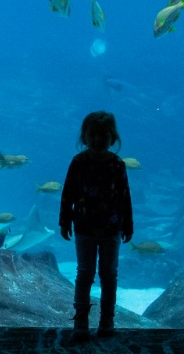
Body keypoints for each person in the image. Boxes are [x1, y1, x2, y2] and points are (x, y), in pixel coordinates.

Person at [59, 110, 133, 338]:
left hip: (112, 229)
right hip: (84, 228)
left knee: (109, 275)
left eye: (104, 135)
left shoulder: (118, 165)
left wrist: (128, 223)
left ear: (113, 138)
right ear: (84, 137)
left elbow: (124, 196)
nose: (98, 140)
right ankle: (80, 323)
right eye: (93, 135)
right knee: (85, 274)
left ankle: (106, 321)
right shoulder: (78, 162)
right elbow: (68, 192)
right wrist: (64, 220)